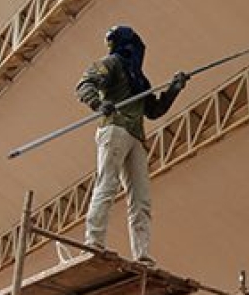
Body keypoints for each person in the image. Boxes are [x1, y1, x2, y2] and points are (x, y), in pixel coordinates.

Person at [76, 25, 188, 264]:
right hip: (115, 127)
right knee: (107, 183)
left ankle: (142, 253)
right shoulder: (112, 64)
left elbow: (154, 110)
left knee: (141, 197)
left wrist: (174, 89)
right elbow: (85, 84)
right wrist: (98, 104)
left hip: (135, 136)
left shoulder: (139, 79)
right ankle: (93, 241)